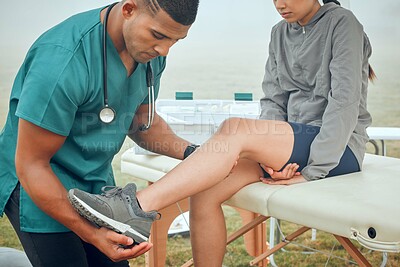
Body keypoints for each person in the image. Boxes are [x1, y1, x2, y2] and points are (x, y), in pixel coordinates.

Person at [68, 0, 375, 265]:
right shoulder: (280, 33)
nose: (280, 4)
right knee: (206, 192)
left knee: (235, 129)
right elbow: (274, 99)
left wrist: (314, 170)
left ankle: (136, 208)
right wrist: (269, 154)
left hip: (338, 150)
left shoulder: (342, 23)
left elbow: (344, 103)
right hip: (291, 146)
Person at [0, 0, 199, 266]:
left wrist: (192, 152)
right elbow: (31, 165)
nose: (164, 50)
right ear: (129, 9)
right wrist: (92, 234)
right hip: (40, 179)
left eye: (176, 40)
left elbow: (140, 120)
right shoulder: (61, 60)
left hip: (96, 182)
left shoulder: (150, 54)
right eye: (158, 35)